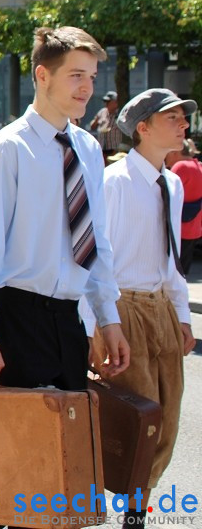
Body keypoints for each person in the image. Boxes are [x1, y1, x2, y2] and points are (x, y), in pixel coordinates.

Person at [0, 26, 129, 398]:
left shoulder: (87, 148)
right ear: (43, 75)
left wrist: (108, 317)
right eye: (76, 75)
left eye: (92, 77)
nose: (87, 87)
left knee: (72, 448)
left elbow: (96, 239)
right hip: (16, 317)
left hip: (69, 319)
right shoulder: (8, 148)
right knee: (21, 449)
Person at [98, 89, 196, 529]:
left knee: (168, 418)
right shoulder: (115, 182)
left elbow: (170, 259)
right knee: (139, 417)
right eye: (172, 117)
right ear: (143, 127)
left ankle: (140, 500)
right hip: (125, 305)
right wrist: (102, 324)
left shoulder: (171, 182)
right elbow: (96, 261)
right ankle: (131, 511)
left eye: (183, 117)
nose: (183, 123)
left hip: (160, 307)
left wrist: (182, 316)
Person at [167, 140, 202, 274]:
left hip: (177, 229)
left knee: (170, 275)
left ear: (175, 152)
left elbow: (168, 195)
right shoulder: (199, 167)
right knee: (182, 274)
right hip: (193, 229)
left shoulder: (181, 166)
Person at [90, 90, 123, 157]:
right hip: (102, 148)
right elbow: (92, 127)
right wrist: (96, 121)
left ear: (115, 102)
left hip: (114, 149)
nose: (106, 104)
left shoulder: (120, 114)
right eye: (105, 101)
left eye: (108, 102)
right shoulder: (102, 112)